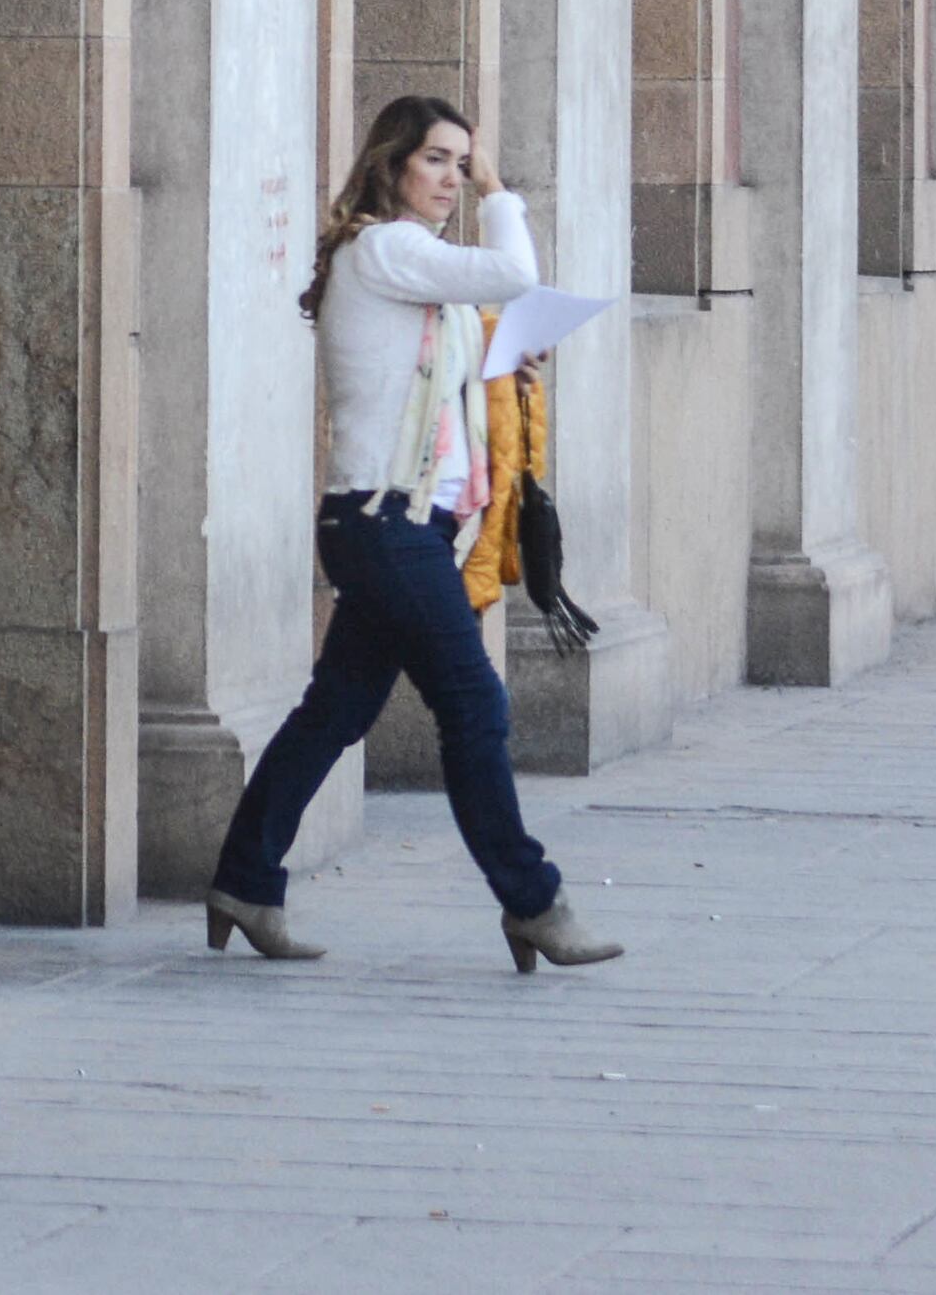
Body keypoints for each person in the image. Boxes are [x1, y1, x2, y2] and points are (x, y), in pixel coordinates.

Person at [198, 93, 626, 974]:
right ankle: (534, 901)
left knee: (334, 712)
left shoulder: (409, 268)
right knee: (474, 706)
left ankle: (244, 881)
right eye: (438, 159)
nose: (453, 179)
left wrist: (506, 356)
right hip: (384, 525)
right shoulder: (389, 246)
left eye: (462, 164)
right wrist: (504, 193)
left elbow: (437, 362)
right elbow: (512, 272)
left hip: (398, 528)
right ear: (391, 163)